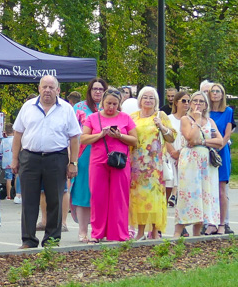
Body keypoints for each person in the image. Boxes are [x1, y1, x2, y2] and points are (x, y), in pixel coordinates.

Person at [11, 75, 81, 248]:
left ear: (58, 90)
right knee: (29, 200)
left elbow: (74, 137)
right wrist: (14, 159)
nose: (48, 90)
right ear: (39, 88)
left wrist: (73, 163)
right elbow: (18, 133)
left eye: (51, 87)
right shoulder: (28, 107)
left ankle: (52, 240)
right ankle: (28, 240)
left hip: (56, 158)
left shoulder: (66, 109)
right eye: (44, 87)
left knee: (55, 200)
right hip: (29, 157)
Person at [80, 88, 138, 242]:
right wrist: (100, 134)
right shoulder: (93, 118)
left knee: (119, 197)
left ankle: (119, 233)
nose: (111, 107)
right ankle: (97, 233)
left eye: (114, 104)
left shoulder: (125, 118)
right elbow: (84, 138)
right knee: (98, 197)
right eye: (108, 103)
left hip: (119, 161)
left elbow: (135, 141)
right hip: (98, 162)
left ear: (119, 104)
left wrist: (120, 136)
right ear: (102, 102)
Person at [175, 91, 223, 237]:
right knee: (189, 195)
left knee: (203, 196)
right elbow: (190, 138)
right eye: (194, 101)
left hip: (206, 164)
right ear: (190, 104)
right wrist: (196, 121)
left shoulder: (210, 122)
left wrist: (202, 142)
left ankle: (197, 236)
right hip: (190, 163)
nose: (197, 104)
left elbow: (220, 142)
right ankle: (177, 234)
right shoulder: (186, 119)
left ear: (206, 105)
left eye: (201, 101)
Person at [129, 87, 174, 239]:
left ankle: (154, 232)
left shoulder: (160, 115)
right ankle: (140, 232)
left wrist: (161, 126)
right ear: (140, 100)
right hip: (136, 165)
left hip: (154, 166)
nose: (148, 100)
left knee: (154, 197)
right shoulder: (133, 117)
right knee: (138, 198)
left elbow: (172, 137)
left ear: (156, 101)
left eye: (151, 98)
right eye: (145, 97)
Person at [71, 78, 107, 242]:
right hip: (84, 153)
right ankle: (82, 231)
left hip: (106, 154)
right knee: (83, 192)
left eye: (101, 89)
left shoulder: (111, 107)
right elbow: (71, 133)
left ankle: (99, 230)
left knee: (102, 193)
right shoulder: (79, 108)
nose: (98, 92)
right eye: (95, 89)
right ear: (89, 90)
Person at [208, 83, 233, 234]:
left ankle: (222, 224)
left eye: (218, 91)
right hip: (207, 150)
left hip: (221, 152)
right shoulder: (205, 112)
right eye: (213, 91)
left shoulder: (228, 111)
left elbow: (227, 134)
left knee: (221, 189)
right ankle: (211, 222)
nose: (216, 94)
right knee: (209, 189)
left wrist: (219, 147)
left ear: (222, 95)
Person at [165, 90, 190, 208]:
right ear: (176, 103)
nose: (186, 103)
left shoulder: (191, 120)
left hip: (185, 156)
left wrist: (180, 153)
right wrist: (172, 152)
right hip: (169, 155)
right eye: (184, 101)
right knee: (167, 186)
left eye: (189, 101)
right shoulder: (168, 118)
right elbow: (164, 137)